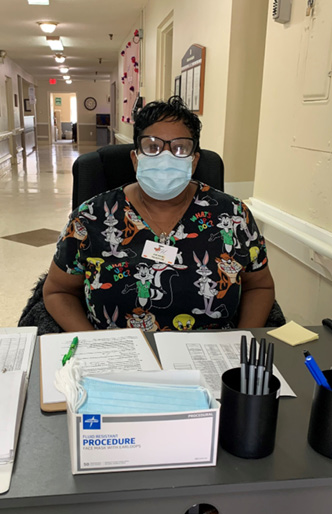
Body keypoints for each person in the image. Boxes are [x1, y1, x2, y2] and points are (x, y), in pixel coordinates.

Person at [43, 96, 275, 332]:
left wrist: (243, 342)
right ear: (135, 158)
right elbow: (57, 291)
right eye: (153, 146)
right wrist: (97, 345)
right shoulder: (91, 217)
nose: (166, 157)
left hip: (211, 360)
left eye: (179, 148)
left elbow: (259, 286)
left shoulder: (234, 215)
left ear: (193, 161)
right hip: (119, 358)